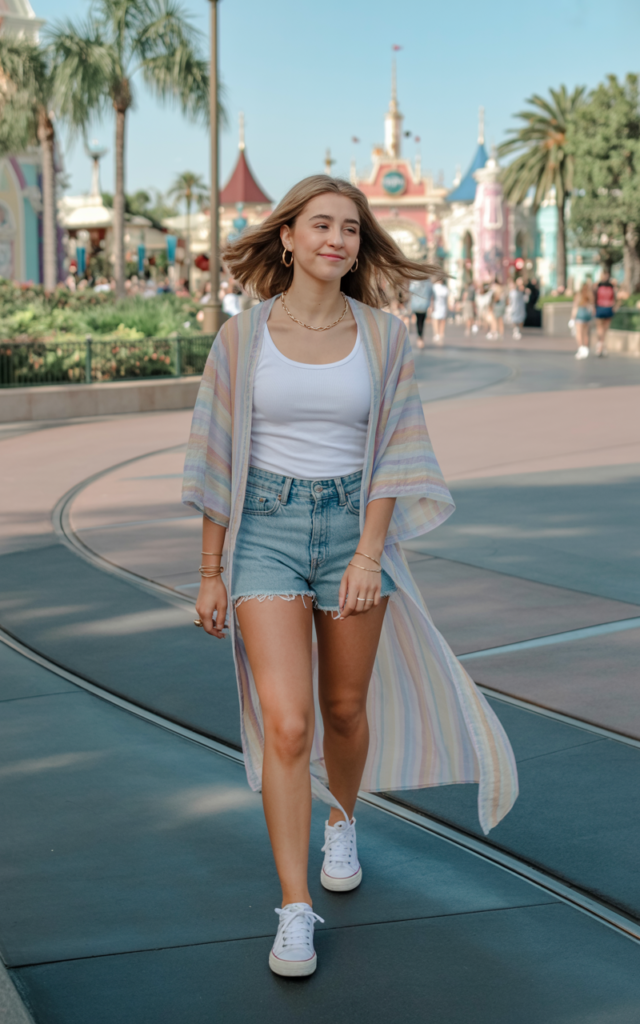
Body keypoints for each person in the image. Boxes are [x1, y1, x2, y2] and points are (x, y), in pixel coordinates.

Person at [182, 175, 518, 979]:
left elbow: (399, 451)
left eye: (351, 230)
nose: (338, 239)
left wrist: (370, 553)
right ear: (288, 236)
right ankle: (294, 907)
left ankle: (343, 817)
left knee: (342, 708)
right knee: (288, 723)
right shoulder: (242, 338)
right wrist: (208, 570)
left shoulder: (385, 336)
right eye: (321, 225)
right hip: (264, 530)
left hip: (350, 534)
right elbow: (217, 453)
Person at [594, 269, 617, 357]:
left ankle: (601, 345)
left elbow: (614, 297)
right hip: (601, 307)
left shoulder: (611, 286)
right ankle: (601, 346)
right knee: (601, 328)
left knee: (604, 329)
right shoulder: (599, 285)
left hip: (606, 308)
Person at [408, 275, 433, 348]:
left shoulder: (414, 282)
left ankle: (419, 337)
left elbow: (410, 290)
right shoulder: (428, 282)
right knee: (422, 321)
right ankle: (420, 337)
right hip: (424, 305)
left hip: (416, 304)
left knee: (418, 321)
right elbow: (431, 292)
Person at [572, 282, 594, 359]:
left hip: (580, 315)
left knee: (579, 333)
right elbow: (592, 305)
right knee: (586, 333)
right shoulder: (589, 295)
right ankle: (586, 348)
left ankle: (581, 348)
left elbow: (575, 307)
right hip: (587, 315)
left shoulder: (579, 295)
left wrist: (572, 318)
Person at [432, 275, 448, 344]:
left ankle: (438, 333)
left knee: (437, 320)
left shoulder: (435, 287)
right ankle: (440, 333)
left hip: (438, 306)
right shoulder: (444, 288)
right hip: (440, 306)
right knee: (440, 320)